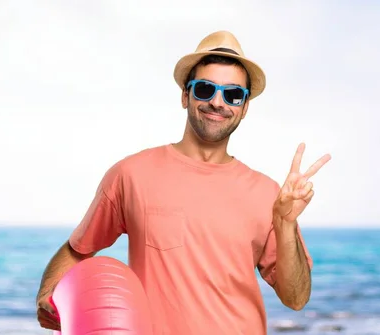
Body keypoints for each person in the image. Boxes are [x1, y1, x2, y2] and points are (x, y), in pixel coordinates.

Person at [35, 30, 331, 334]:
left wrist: (285, 223)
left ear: (243, 108)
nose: (218, 102)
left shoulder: (268, 194)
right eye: (205, 89)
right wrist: (46, 293)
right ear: (185, 96)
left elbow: (296, 298)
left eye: (233, 94)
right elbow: (78, 249)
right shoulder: (131, 174)